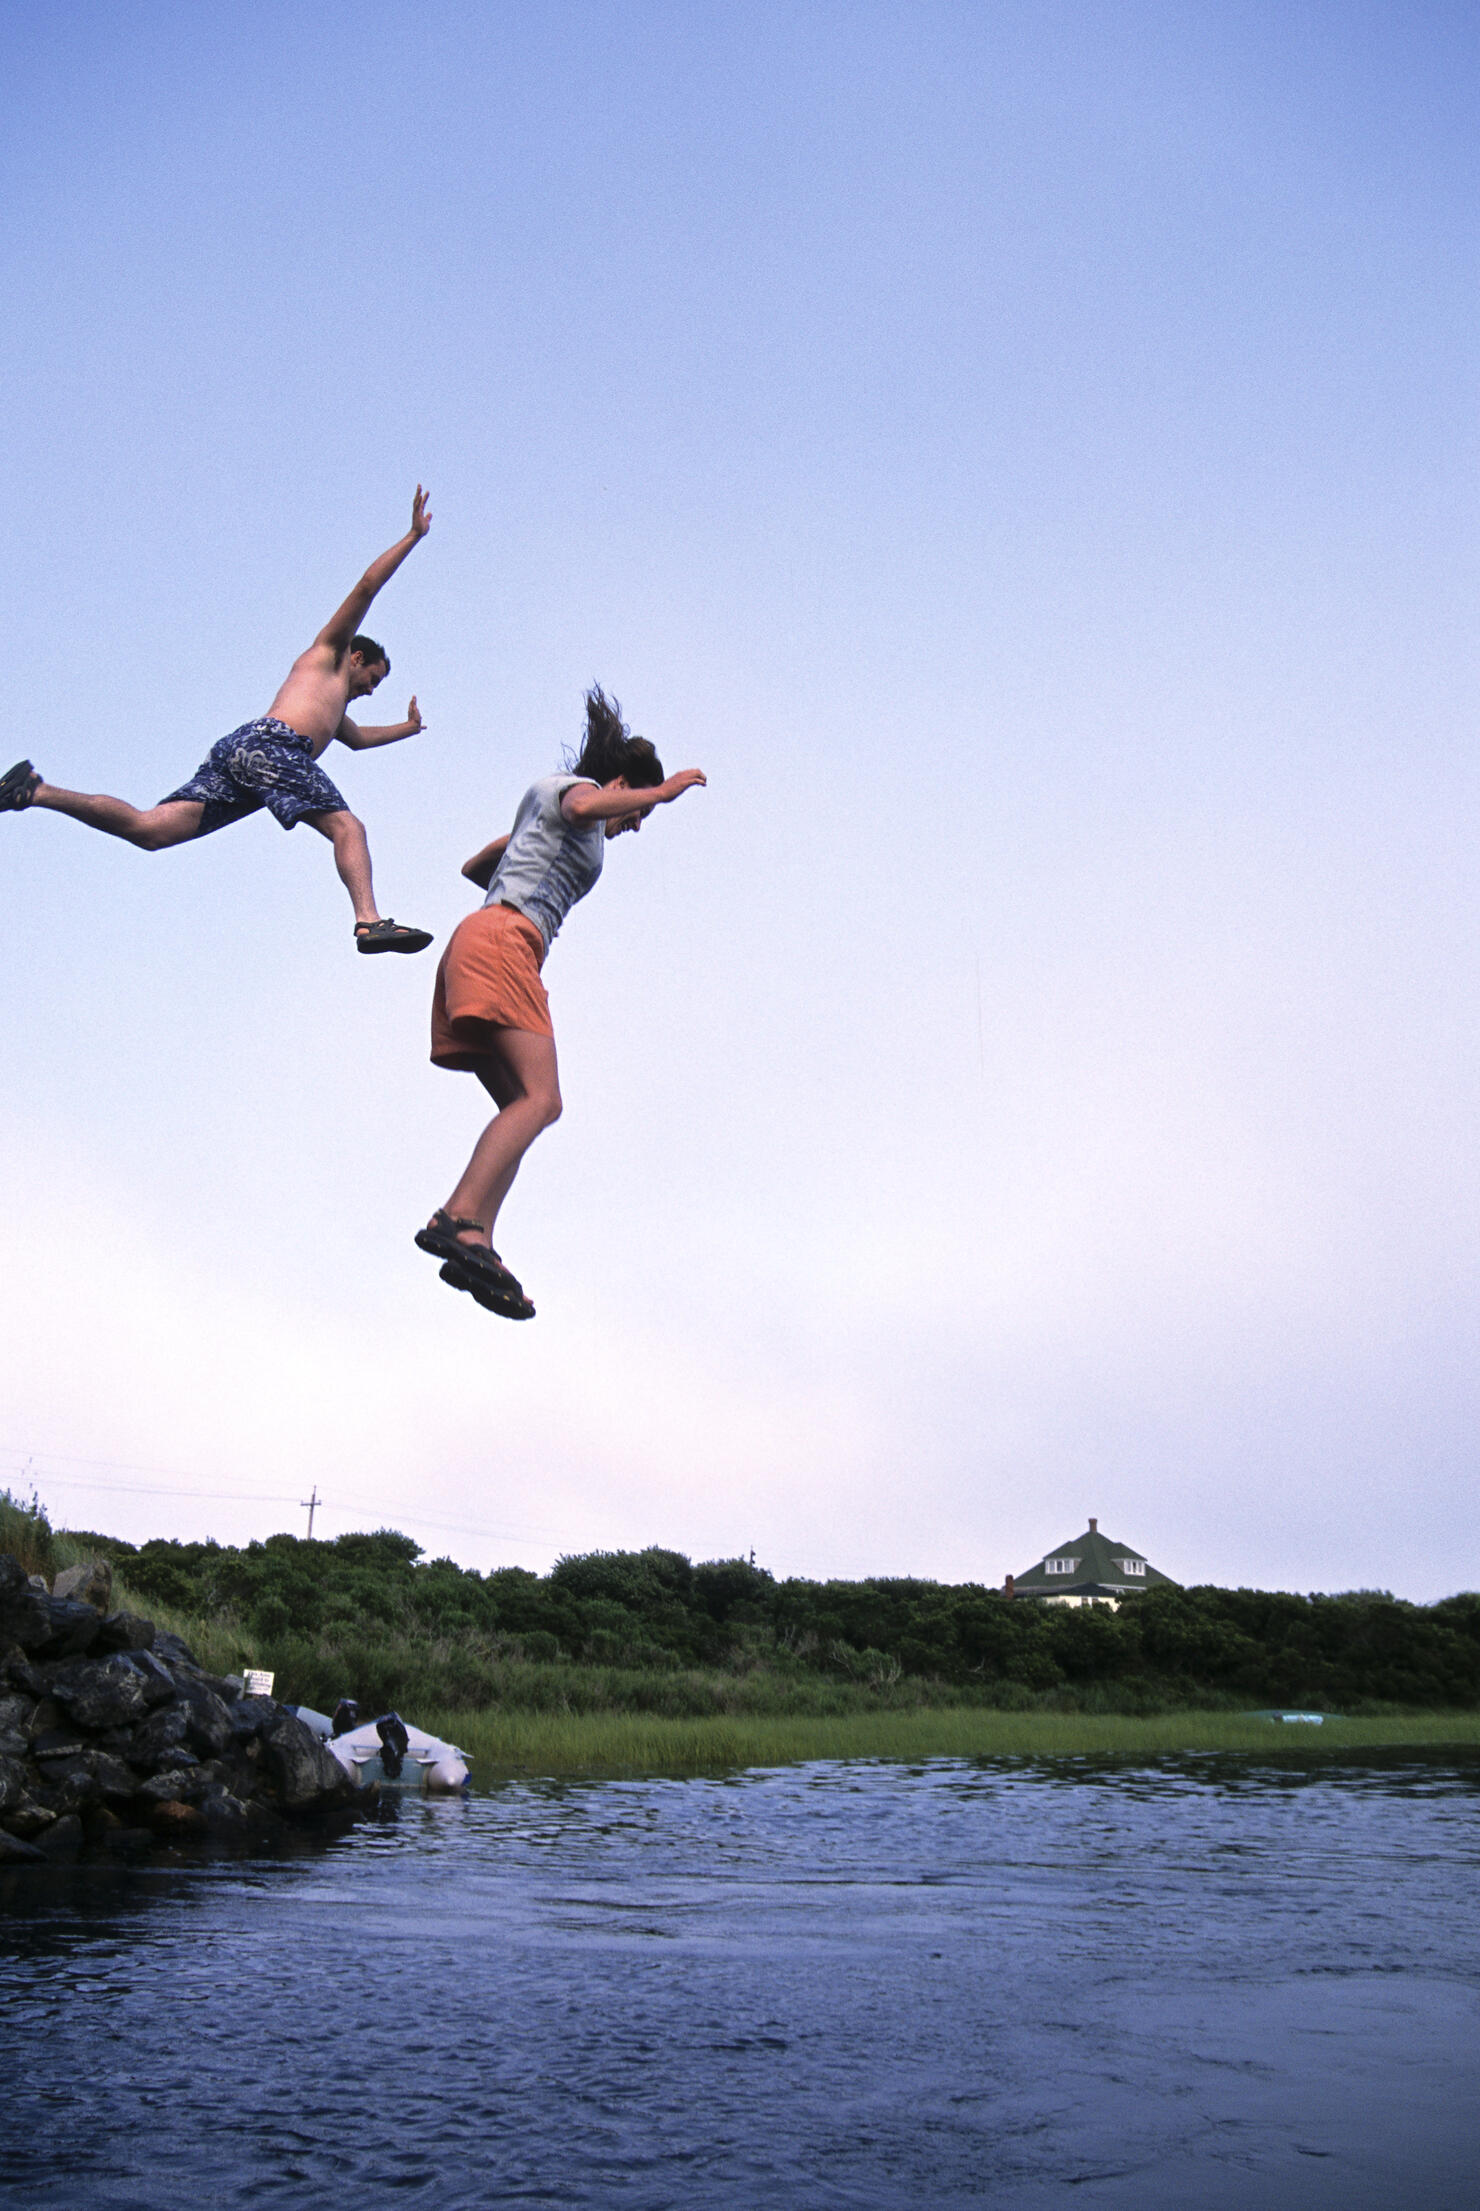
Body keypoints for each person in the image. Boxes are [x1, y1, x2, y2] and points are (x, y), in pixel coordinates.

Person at [0, 488, 438, 953]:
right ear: (356, 657)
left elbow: (357, 740)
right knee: (348, 828)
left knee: (150, 831)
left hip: (242, 754)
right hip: (273, 747)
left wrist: (406, 729)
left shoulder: (333, 708)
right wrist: (412, 536)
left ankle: (35, 790)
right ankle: (369, 921)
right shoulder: (328, 654)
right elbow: (367, 587)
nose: (370, 690)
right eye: (372, 679)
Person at [416, 685, 706, 1319]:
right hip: (506, 943)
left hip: (479, 937)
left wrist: (524, 849)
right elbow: (584, 807)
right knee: (544, 1100)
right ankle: (459, 1214)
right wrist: (661, 793)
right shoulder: (575, 792)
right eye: (635, 813)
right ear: (621, 783)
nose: (632, 826)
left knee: (524, 1106)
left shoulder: (541, 807)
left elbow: (476, 865)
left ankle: (474, 1238)